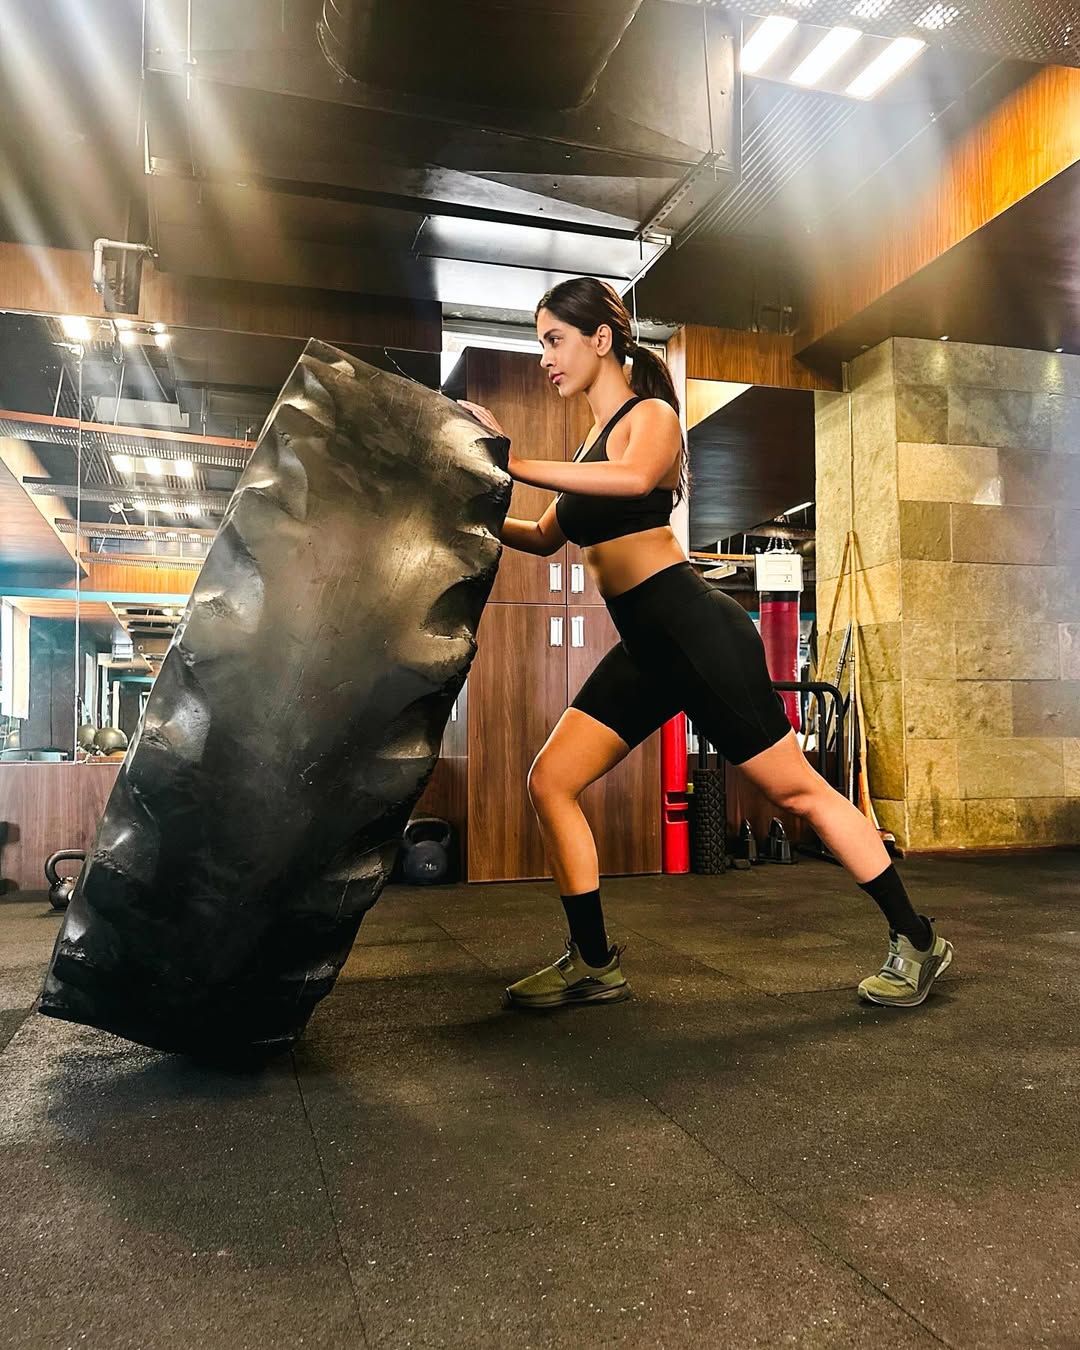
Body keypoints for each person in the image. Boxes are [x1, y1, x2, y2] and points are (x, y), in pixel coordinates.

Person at [458, 276, 952, 1014]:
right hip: (647, 647)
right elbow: (538, 537)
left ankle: (916, 938)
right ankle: (593, 961)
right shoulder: (586, 446)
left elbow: (632, 481)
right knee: (551, 780)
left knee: (797, 791)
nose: (545, 358)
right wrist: (459, 495)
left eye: (554, 340)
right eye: (541, 344)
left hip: (695, 629)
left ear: (601, 339)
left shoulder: (649, 417)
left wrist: (508, 458)